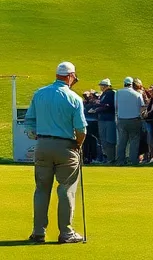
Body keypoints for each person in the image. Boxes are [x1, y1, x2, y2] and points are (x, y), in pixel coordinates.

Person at [22, 61, 86, 245]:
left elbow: (29, 122)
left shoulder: (39, 93)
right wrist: (78, 145)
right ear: (71, 76)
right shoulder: (74, 98)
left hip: (42, 145)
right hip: (66, 147)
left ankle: (38, 232)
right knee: (66, 189)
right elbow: (81, 129)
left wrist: (37, 137)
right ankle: (66, 233)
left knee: (42, 189)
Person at [115, 76, 145, 166]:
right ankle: (133, 161)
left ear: (124, 83)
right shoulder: (137, 94)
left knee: (122, 141)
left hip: (121, 119)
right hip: (134, 119)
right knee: (134, 141)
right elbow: (142, 107)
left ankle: (120, 161)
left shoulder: (118, 93)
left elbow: (116, 106)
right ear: (132, 84)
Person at [95, 78, 116, 164]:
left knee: (109, 139)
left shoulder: (111, 93)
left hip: (109, 119)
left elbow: (109, 106)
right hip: (103, 119)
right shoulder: (104, 94)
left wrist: (98, 108)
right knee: (104, 139)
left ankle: (111, 158)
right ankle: (106, 158)